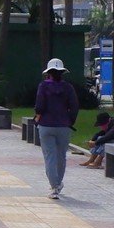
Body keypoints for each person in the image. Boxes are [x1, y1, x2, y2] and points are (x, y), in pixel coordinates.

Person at [34, 59, 80, 200]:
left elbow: (39, 106)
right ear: (62, 73)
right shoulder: (68, 88)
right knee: (61, 156)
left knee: (50, 157)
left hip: (46, 125)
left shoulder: (43, 86)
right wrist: (69, 120)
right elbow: (75, 106)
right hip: (63, 126)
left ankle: (54, 186)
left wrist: (38, 116)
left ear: (48, 73)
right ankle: (58, 183)